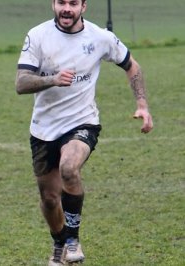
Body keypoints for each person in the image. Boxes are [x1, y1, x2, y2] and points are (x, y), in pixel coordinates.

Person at [15, 1, 153, 265]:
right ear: (53, 4)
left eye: (73, 3)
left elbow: (131, 65)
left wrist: (142, 105)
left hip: (83, 122)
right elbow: (21, 83)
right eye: (61, 2)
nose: (67, 8)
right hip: (43, 128)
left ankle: (72, 240)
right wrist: (52, 79)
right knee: (50, 198)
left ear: (84, 6)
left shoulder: (100, 37)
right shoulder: (38, 35)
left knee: (69, 168)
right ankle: (59, 243)